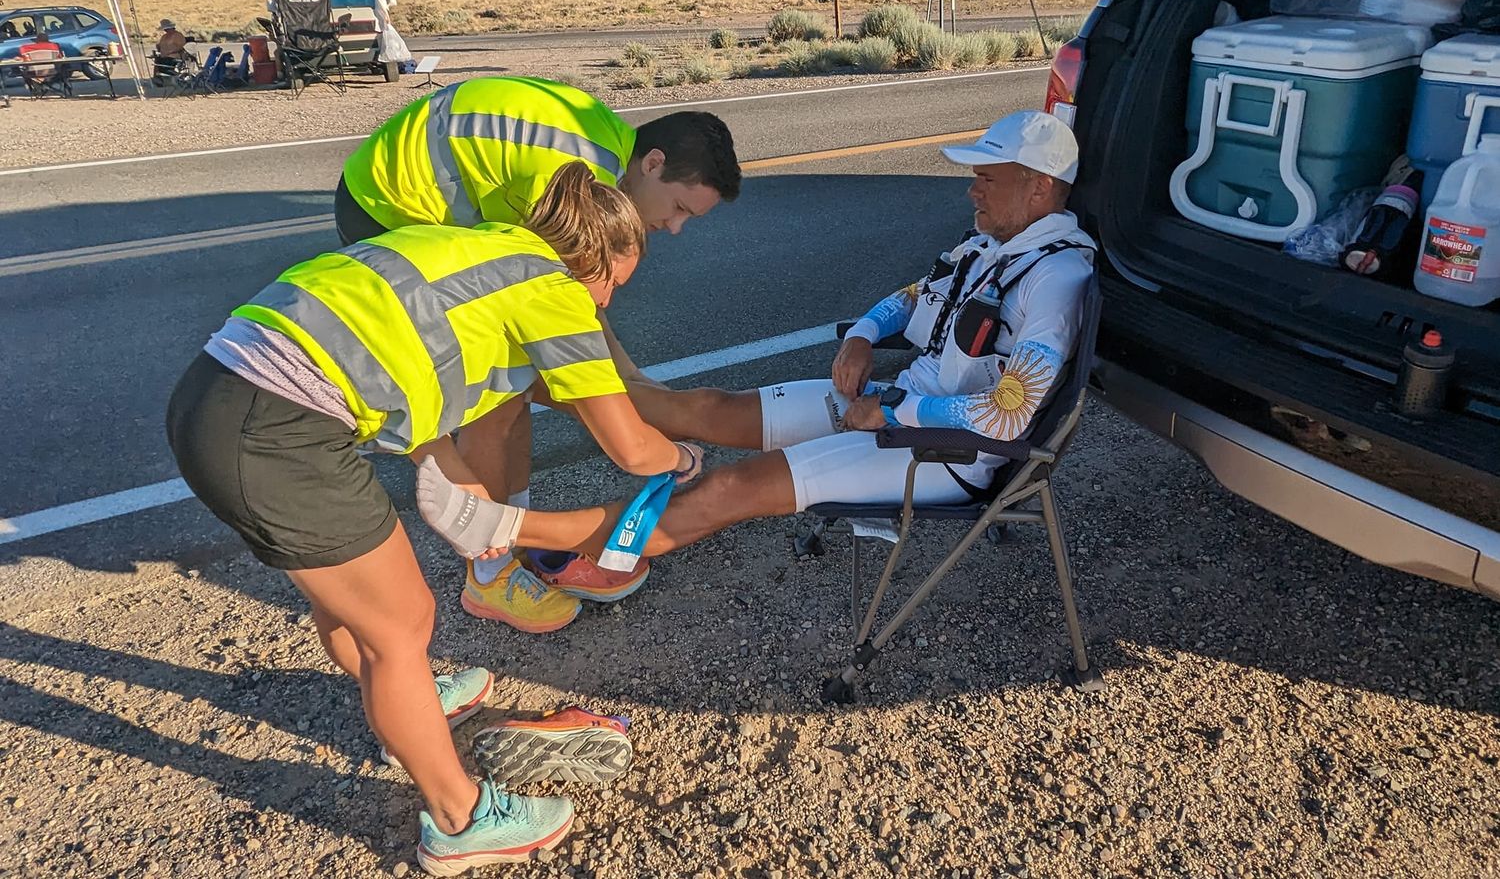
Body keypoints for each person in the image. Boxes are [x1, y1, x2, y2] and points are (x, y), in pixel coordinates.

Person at [165, 163, 704, 875]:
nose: (606, 307)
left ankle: (406, 710)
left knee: (356, 597)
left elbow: (420, 403)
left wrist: (468, 499)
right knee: (403, 623)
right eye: (613, 287)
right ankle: (462, 817)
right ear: (594, 261)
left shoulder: (473, 247)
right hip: (278, 432)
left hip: (215, 394)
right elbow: (632, 447)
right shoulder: (554, 290)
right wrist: (679, 455)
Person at [436, 111, 1096, 587]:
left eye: (988, 177)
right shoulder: (989, 244)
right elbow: (912, 296)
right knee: (707, 407)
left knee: (730, 485)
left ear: (1039, 188)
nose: (972, 188)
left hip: (938, 449)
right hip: (888, 407)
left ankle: (505, 531)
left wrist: (891, 411)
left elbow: (1009, 415)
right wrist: (865, 334)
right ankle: (579, 421)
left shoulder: (1054, 277)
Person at [336, 74, 742, 629]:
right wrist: (648, 422)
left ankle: (510, 533)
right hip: (389, 207)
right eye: (678, 208)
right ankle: (489, 575)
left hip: (412, 188)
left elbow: (577, 307)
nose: (672, 228)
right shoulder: (573, 179)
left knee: (517, 386)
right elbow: (563, 306)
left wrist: (630, 380)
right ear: (652, 163)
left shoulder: (605, 145)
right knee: (496, 394)